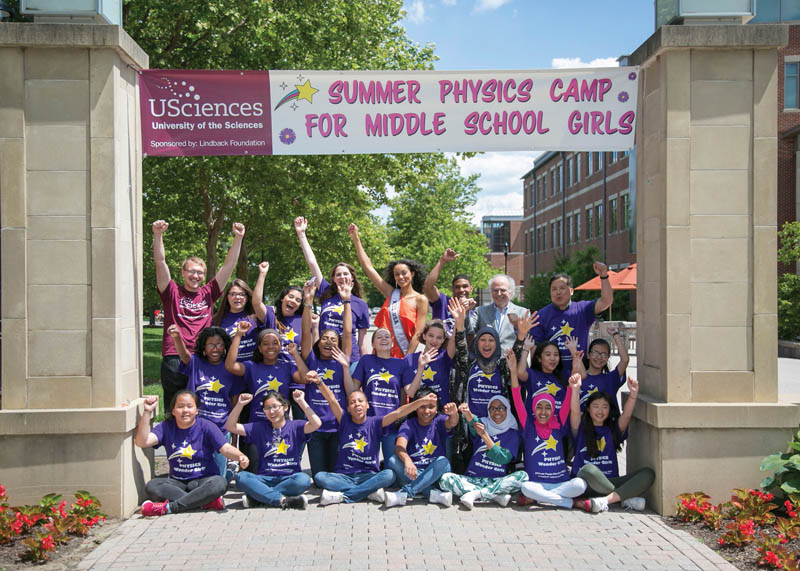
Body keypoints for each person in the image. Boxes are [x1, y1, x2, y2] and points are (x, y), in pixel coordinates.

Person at [152, 220, 245, 415]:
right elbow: (160, 263)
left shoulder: (208, 292)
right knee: (175, 409)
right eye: (192, 272)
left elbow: (229, 266)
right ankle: (174, 443)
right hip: (174, 357)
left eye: (200, 273)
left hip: (201, 357)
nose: (196, 276)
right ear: (183, 273)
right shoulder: (171, 292)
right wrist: (157, 235)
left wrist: (238, 238)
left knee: (199, 408)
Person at [313, 382, 438, 505]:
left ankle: (346, 495)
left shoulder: (376, 422)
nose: (357, 404)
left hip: (369, 475)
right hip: (345, 475)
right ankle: (368, 491)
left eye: (360, 401)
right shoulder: (344, 420)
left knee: (389, 475)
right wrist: (319, 382)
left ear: (367, 405)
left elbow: (398, 413)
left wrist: (420, 402)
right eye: (352, 402)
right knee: (319, 477)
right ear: (348, 409)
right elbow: (332, 400)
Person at [135, 392, 249, 516]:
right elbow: (142, 441)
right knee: (152, 486)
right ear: (173, 411)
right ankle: (204, 502)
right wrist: (147, 412)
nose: (185, 411)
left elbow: (225, 448)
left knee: (220, 483)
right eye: (180, 407)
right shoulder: (166, 427)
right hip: (177, 482)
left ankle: (169, 508)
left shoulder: (207, 426)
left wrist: (240, 456)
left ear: (196, 410)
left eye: (190, 406)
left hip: (204, 480)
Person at [225, 322, 308, 471]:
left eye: (275, 343)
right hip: (256, 427)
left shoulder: (287, 366)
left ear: (280, 346)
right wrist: (238, 335)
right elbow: (230, 366)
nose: (270, 347)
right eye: (266, 344)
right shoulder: (251, 366)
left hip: (280, 428)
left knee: (279, 470)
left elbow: (304, 378)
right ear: (259, 348)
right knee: (252, 472)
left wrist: (295, 354)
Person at [507, 354, 587, 510]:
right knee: (526, 487)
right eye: (539, 407)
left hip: (561, 483)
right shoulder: (527, 425)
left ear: (553, 410)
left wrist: (575, 370)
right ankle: (567, 502)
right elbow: (517, 396)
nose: (543, 412)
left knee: (580, 484)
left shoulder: (559, 422)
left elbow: (569, 394)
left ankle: (543, 498)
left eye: (548, 407)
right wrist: (513, 371)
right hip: (537, 484)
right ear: (533, 409)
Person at [569, 375, 654, 513]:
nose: (600, 411)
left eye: (604, 407)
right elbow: (575, 412)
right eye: (595, 406)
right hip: (587, 484)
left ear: (609, 410)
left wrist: (633, 395)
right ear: (589, 409)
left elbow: (626, 415)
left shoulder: (613, 430)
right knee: (588, 469)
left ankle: (605, 500)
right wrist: (575, 390)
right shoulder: (580, 428)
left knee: (648, 474)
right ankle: (622, 496)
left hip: (611, 480)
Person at [300, 278, 357, 480]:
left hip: (338, 426)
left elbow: (348, 332)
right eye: (325, 338)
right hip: (316, 428)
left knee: (335, 473)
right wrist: (307, 302)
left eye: (334, 339)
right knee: (319, 477)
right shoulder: (312, 359)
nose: (329, 341)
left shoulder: (342, 359)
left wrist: (347, 301)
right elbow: (306, 332)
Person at [225, 390, 320, 509]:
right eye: (267, 408)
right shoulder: (258, 427)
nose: (271, 411)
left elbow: (316, 423)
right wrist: (239, 404)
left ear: (285, 407)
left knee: (303, 480)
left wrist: (301, 402)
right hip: (264, 478)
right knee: (241, 477)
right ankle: (281, 500)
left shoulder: (296, 426)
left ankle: (258, 497)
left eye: (275, 407)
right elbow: (230, 426)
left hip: (289, 477)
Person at [168, 325, 242, 478]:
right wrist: (177, 337)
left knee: (217, 476)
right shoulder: (196, 363)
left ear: (225, 346)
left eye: (219, 344)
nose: (215, 349)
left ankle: (222, 480)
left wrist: (234, 439)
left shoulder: (230, 369)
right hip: (196, 428)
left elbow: (235, 403)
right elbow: (185, 355)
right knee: (196, 471)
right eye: (210, 345)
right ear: (204, 347)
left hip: (221, 428)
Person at [294, 216, 370, 363]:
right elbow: (312, 262)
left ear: (352, 278)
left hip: (350, 359)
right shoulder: (326, 291)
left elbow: (362, 341)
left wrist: (364, 367)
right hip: (324, 356)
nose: (342, 277)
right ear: (334, 279)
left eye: (345, 274)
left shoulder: (361, 304)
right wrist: (301, 234)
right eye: (338, 274)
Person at [348, 222, 428, 357]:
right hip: (380, 354)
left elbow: (418, 333)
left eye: (404, 273)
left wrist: (407, 358)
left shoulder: (420, 299)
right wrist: (356, 238)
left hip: (402, 356)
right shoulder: (391, 293)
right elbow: (368, 267)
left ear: (412, 273)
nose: (401, 277)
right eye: (397, 274)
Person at [439, 397, 528, 510]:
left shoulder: (513, 434)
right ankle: (494, 495)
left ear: (507, 409)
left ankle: (477, 494)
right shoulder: (484, 424)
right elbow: (473, 422)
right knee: (445, 479)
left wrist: (484, 436)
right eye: (492, 409)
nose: (496, 412)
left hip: (497, 480)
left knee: (523, 477)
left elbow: (502, 458)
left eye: (501, 408)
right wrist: (466, 412)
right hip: (473, 479)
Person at [530, 262, 613, 376]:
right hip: (552, 375)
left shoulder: (583, 309)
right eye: (554, 289)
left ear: (571, 291)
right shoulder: (541, 315)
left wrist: (604, 276)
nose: (558, 292)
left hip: (580, 371)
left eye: (562, 288)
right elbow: (535, 349)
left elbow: (606, 301)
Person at [384, 388, 460, 508]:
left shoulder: (439, 420)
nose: (426, 411)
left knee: (443, 462)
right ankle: (431, 493)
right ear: (416, 407)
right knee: (393, 460)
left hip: (434, 473)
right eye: (422, 406)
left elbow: (452, 422)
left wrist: (454, 413)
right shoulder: (409, 424)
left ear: (437, 409)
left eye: (431, 407)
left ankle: (406, 492)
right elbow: (399, 447)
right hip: (413, 472)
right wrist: (408, 461)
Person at [251, 262, 307, 419]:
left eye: (298, 300)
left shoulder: (303, 319)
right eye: (291, 296)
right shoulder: (270, 316)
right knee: (276, 422)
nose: (293, 301)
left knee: (299, 426)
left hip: (296, 378)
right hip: (274, 376)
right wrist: (262, 274)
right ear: (283, 298)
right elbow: (256, 303)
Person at [352, 327, 413, 462]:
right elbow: (353, 389)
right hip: (369, 422)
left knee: (392, 465)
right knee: (366, 464)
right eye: (379, 337)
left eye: (387, 336)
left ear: (392, 344)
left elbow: (404, 393)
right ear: (373, 344)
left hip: (391, 422)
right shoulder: (366, 361)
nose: (384, 338)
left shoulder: (401, 363)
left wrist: (401, 417)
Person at [423, 248, 477, 335]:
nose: (461, 290)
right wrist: (442, 260)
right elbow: (427, 287)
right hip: (439, 349)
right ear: (452, 289)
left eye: (465, 286)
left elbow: (471, 338)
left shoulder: (473, 314)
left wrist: (466, 312)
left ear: (471, 289)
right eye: (457, 287)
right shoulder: (443, 302)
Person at [468, 274, 528, 353]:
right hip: (486, 361)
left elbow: (527, 340)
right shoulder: (480, 311)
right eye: (495, 290)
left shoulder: (523, 313)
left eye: (503, 290)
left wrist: (517, 326)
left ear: (510, 292)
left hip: (512, 361)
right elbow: (469, 331)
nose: (499, 293)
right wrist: (465, 313)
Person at [575, 326, 630, 411]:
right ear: (588, 355)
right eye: (595, 353)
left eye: (604, 354)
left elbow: (625, 360)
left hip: (608, 424)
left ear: (608, 357)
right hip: (584, 423)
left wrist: (616, 335)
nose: (599, 357)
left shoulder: (611, 379)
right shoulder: (577, 379)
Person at [404, 319, 456, 404]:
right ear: (424, 336)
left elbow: (453, 339)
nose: (434, 340)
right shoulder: (410, 359)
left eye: (439, 337)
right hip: (417, 412)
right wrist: (421, 367)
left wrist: (458, 319)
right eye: (431, 336)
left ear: (443, 340)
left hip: (441, 411)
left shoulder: (445, 357)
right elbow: (411, 393)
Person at [213, 279, 260, 362]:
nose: (237, 297)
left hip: (253, 369)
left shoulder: (257, 316)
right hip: (227, 369)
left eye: (242, 294)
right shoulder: (217, 319)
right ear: (227, 296)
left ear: (247, 297)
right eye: (233, 294)